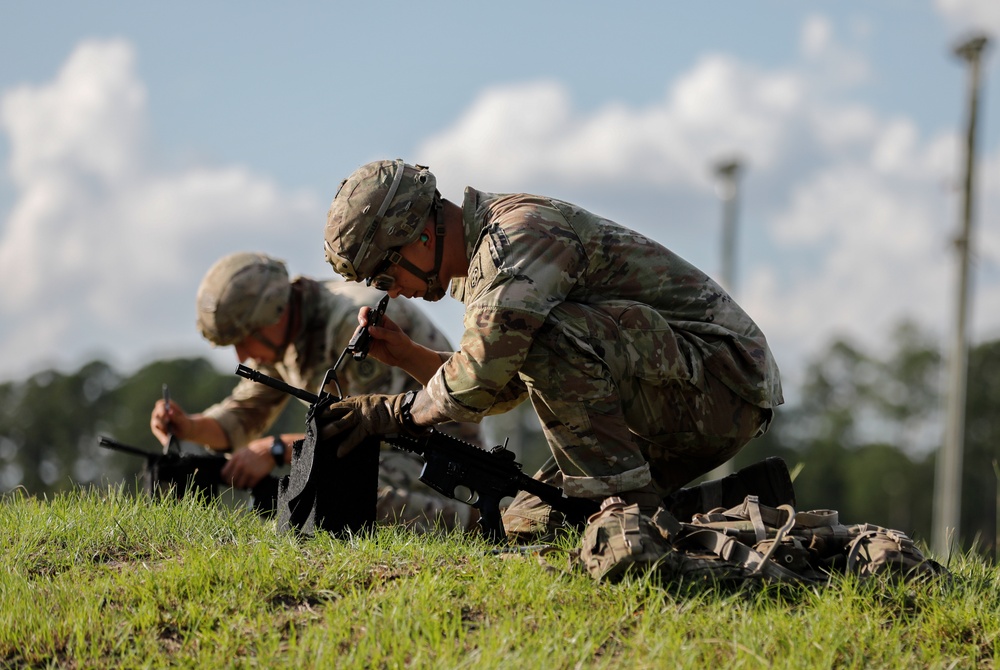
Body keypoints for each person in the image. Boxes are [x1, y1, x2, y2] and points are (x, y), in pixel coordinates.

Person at [318, 158, 784, 540]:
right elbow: (504, 385)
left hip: (724, 383)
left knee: (546, 343)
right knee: (532, 525)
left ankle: (624, 514)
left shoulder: (516, 240)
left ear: (417, 235)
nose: (392, 292)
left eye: (384, 275)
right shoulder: (479, 268)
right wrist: (406, 356)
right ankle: (731, 504)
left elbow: (482, 378)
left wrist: (391, 412)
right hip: (669, 396)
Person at [149, 251, 482, 533]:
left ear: (272, 314)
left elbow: (378, 433)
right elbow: (242, 415)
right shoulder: (285, 338)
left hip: (433, 452)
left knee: (338, 495)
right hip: (384, 447)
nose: (240, 355)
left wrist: (278, 448)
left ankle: (479, 523)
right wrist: (188, 426)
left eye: (242, 338)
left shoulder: (349, 326)